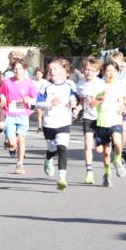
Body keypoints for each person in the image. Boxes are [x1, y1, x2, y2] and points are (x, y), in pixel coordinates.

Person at [37, 59, 78, 190]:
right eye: (50, 69)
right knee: (52, 149)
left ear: (62, 71)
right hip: (49, 123)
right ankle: (48, 158)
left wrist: (74, 104)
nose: (52, 72)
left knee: (62, 148)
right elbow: (37, 104)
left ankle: (61, 178)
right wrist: (49, 104)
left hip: (64, 122)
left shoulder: (69, 85)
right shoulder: (45, 86)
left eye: (55, 69)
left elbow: (73, 98)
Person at [91, 59, 126, 186]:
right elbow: (91, 104)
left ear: (117, 72)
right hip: (102, 122)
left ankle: (117, 160)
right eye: (108, 71)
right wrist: (100, 99)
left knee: (118, 142)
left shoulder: (120, 85)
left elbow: (123, 102)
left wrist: (123, 108)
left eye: (113, 71)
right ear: (103, 72)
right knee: (105, 152)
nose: (110, 73)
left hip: (115, 120)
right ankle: (107, 174)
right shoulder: (98, 85)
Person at [0, 59, 37, 172]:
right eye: (15, 69)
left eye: (20, 68)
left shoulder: (28, 82)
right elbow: (1, 95)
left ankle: (20, 164)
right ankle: (12, 146)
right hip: (10, 115)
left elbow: (34, 98)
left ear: (24, 70)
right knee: (12, 142)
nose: (17, 71)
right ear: (12, 70)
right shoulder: (6, 82)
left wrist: (28, 99)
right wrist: (3, 98)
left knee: (21, 139)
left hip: (23, 115)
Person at [76, 56, 102, 184]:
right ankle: (89, 172)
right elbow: (82, 101)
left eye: (92, 70)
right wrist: (77, 108)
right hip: (87, 116)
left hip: (101, 117)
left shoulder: (101, 83)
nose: (89, 72)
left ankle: (99, 141)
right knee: (87, 143)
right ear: (82, 70)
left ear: (97, 72)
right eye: (86, 69)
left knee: (99, 149)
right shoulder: (80, 84)